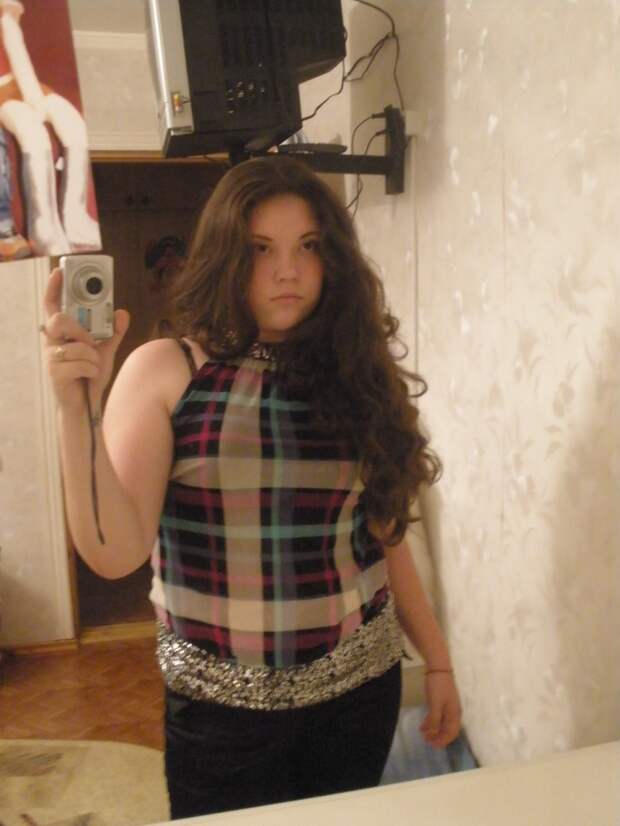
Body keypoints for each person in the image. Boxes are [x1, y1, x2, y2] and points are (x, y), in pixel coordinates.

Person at [41, 156, 462, 819]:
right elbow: (113, 553)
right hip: (219, 714)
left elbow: (387, 537)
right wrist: (78, 410)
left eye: (308, 246)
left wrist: (437, 662)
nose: (287, 270)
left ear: (334, 258)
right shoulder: (169, 370)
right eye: (261, 248)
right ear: (225, 256)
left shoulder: (357, 374)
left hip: (359, 694)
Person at [0, 0, 100, 255]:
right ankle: (43, 227)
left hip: (24, 84)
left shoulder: (6, 13)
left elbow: (18, 55)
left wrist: (35, 97)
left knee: (74, 124)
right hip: (2, 93)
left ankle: (76, 217)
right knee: (33, 134)